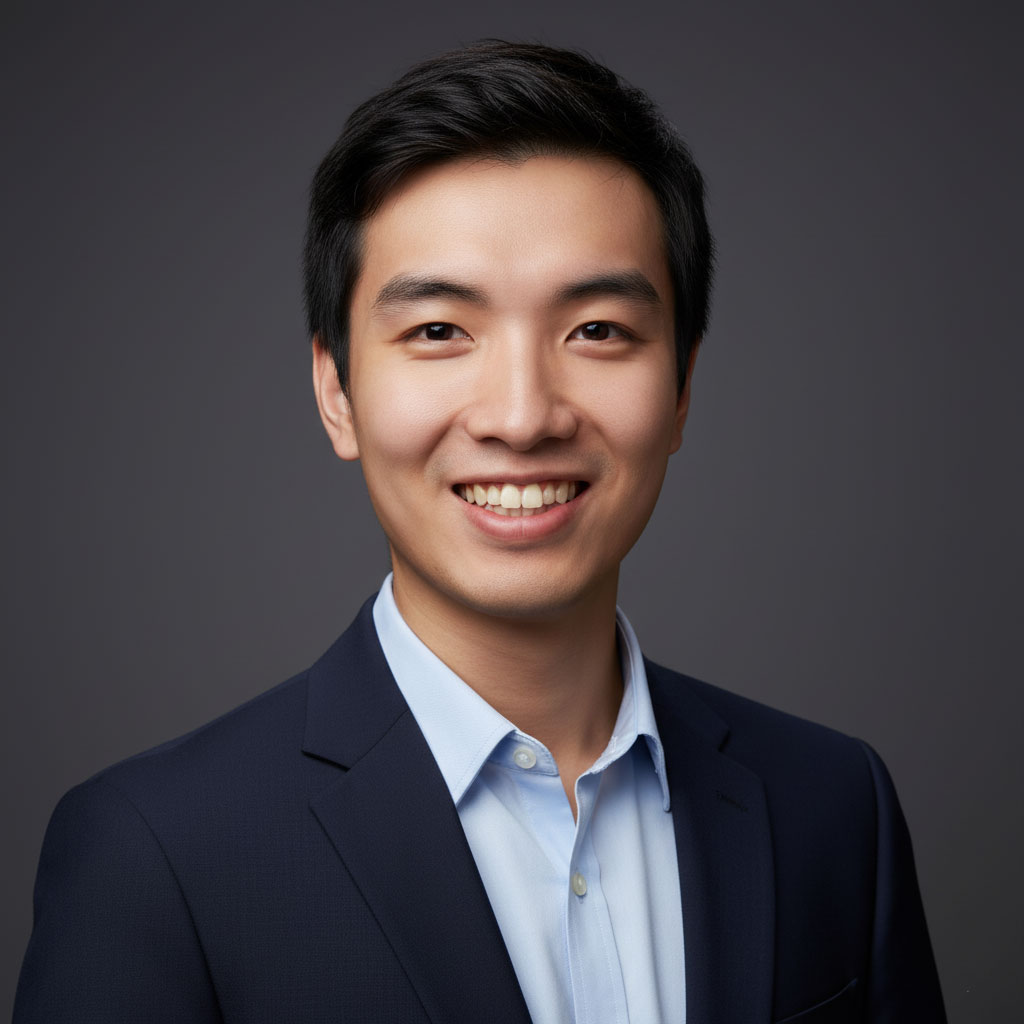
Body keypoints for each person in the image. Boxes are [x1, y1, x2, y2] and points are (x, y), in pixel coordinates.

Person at [14, 40, 945, 1023]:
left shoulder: (833, 805)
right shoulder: (155, 852)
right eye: (438, 332)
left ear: (681, 389)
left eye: (595, 330)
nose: (521, 414)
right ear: (335, 390)